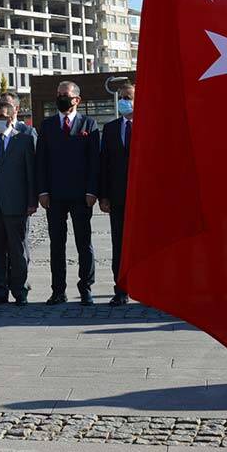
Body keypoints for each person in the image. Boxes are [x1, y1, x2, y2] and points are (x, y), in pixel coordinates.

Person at [36, 80, 101, 306]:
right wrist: (42, 191)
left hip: (81, 195)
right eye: (58, 94)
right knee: (57, 244)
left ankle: (86, 288)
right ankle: (58, 290)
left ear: (76, 99)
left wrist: (92, 191)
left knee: (84, 243)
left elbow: (95, 162)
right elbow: (41, 160)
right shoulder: (47, 125)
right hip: (54, 195)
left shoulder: (89, 124)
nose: (60, 97)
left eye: (65, 94)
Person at [0, 101, 38, 305]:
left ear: (11, 117)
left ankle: (20, 290)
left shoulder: (24, 140)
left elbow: (31, 173)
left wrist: (32, 201)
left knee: (18, 250)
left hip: (16, 204)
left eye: (1, 116)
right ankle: (0, 290)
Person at [99, 83, 134, 306]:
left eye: (128, 96)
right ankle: (120, 289)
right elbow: (104, 164)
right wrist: (104, 196)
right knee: (119, 244)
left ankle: (147, 289)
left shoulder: (151, 125)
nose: (123, 100)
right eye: (121, 97)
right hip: (118, 197)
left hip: (143, 199)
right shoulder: (111, 128)